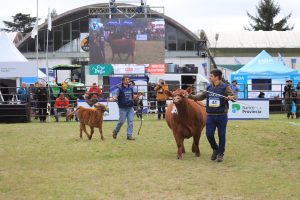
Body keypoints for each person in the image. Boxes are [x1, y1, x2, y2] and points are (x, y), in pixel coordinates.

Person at [188, 69, 235, 162]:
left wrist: (231, 97)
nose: (209, 77)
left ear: (216, 77)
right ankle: (215, 149)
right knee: (209, 134)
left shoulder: (225, 87)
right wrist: (189, 95)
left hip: (222, 115)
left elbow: (233, 97)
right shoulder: (209, 87)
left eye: (211, 76)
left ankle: (220, 154)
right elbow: (199, 97)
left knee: (221, 135)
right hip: (210, 115)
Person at [109, 76, 139, 140]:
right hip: (122, 108)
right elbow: (115, 96)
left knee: (130, 122)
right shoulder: (119, 88)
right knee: (121, 122)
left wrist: (138, 95)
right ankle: (115, 131)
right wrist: (113, 98)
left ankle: (129, 135)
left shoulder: (131, 88)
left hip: (130, 107)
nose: (128, 81)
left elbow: (133, 96)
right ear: (123, 81)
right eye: (126, 80)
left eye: (128, 79)